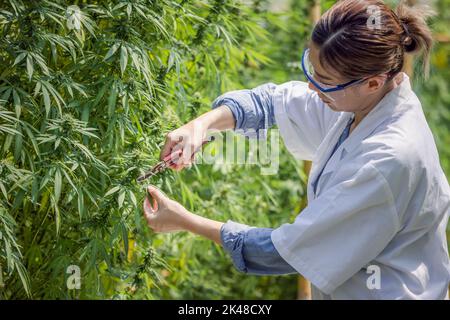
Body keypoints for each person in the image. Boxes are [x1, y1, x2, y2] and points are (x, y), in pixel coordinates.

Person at [142, 0, 450, 299]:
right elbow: (270, 104)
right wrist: (202, 125)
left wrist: (183, 221)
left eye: (325, 80)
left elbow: (284, 252)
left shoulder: (388, 158)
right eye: (312, 68)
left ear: (372, 83)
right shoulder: (361, 101)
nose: (314, 88)